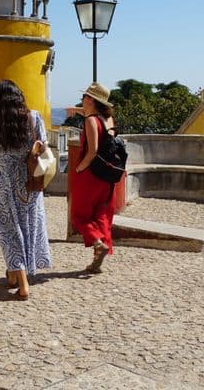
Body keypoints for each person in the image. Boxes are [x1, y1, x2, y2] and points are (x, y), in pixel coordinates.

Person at [0, 79, 51, 300]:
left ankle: (21, 282)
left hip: (3, 181)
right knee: (28, 225)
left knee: (9, 230)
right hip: (28, 180)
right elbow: (43, 144)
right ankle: (17, 275)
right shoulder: (33, 118)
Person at [72, 82, 117, 274]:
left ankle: (98, 244)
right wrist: (77, 111)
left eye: (84, 97)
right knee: (100, 215)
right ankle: (97, 258)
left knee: (79, 215)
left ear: (91, 100)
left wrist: (78, 169)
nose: (82, 100)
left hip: (90, 174)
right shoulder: (109, 120)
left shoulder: (90, 121)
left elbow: (92, 152)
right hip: (107, 176)